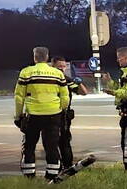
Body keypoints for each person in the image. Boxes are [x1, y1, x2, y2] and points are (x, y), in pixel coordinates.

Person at [15, 46, 69, 181]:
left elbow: (19, 97)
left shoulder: (26, 72)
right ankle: (51, 177)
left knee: (29, 146)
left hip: (33, 115)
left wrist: (18, 115)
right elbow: (65, 97)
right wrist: (61, 109)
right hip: (53, 114)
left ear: (34, 57)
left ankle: (29, 177)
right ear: (47, 58)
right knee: (51, 146)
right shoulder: (58, 74)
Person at [50, 55, 88, 171]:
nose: (62, 68)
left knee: (65, 141)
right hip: (51, 114)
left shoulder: (67, 79)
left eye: (63, 66)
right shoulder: (50, 80)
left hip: (64, 116)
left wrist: (79, 82)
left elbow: (83, 92)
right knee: (51, 142)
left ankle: (67, 166)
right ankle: (55, 167)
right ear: (53, 66)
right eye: (59, 66)